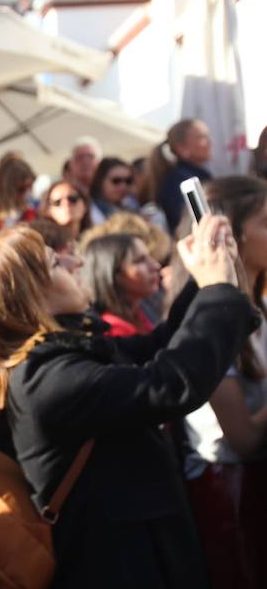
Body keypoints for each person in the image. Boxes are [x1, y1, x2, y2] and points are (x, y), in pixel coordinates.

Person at [0, 218, 258, 589]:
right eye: (55, 263)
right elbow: (169, 384)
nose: (75, 263)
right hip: (116, 564)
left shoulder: (61, 356)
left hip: (136, 551)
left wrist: (204, 276)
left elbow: (156, 348)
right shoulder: (46, 378)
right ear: (28, 295)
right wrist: (216, 289)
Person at [178, 175, 267, 589]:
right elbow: (243, 438)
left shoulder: (257, 300)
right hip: (226, 488)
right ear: (234, 235)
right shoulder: (212, 321)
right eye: (266, 222)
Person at [81, 234, 161, 337]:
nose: (155, 266)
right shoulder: (113, 330)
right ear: (113, 274)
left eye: (149, 257)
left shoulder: (135, 312)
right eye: (140, 261)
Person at [144, 118, 213, 234]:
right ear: (182, 149)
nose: (210, 142)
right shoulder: (181, 181)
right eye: (201, 137)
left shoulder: (191, 176)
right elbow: (191, 222)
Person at [0, 156, 36, 229]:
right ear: (6, 189)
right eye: (22, 189)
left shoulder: (32, 211)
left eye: (30, 187)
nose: (28, 193)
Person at [88, 157, 135, 224]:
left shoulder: (132, 208)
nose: (123, 186)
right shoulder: (89, 211)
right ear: (100, 181)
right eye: (116, 181)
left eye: (128, 181)